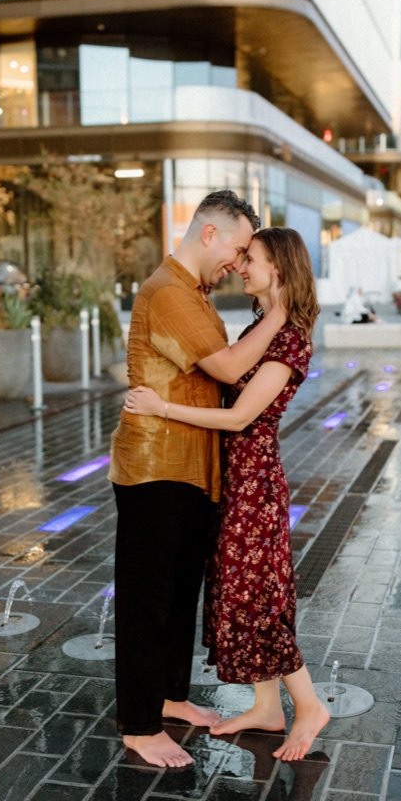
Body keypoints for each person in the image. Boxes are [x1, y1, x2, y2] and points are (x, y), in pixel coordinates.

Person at [126, 228, 332, 761]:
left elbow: (242, 415)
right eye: (241, 256)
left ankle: (308, 705)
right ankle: (267, 707)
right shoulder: (265, 324)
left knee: (258, 595)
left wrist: (161, 408)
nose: (243, 266)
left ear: (278, 270)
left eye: (253, 259)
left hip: (253, 479)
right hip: (233, 476)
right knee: (238, 592)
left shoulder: (289, 336)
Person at [107, 189, 288, 768]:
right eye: (236, 248)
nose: (237, 262)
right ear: (209, 234)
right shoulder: (167, 292)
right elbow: (230, 367)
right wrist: (283, 313)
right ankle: (139, 725)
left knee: (180, 593)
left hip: (193, 468)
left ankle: (169, 697)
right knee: (148, 598)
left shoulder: (195, 293)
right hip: (157, 466)